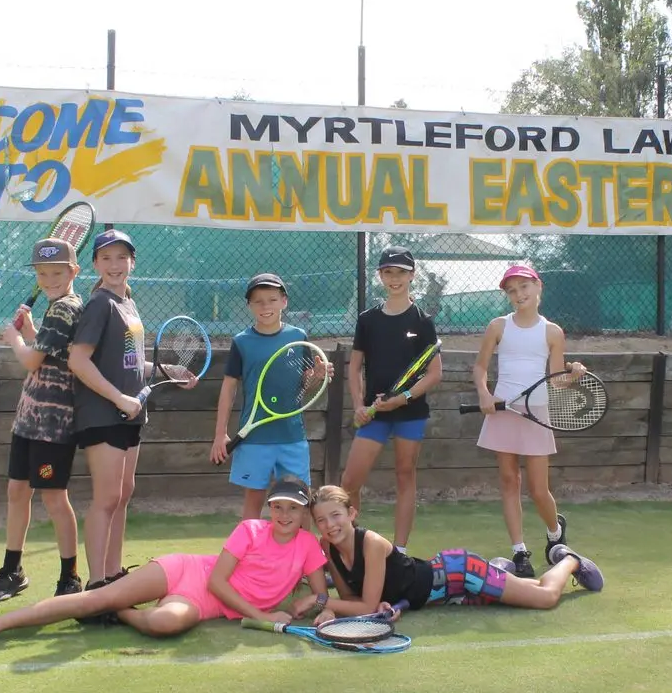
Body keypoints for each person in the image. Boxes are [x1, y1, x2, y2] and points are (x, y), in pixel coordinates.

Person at [0, 478, 330, 647]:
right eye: (277, 506)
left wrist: (318, 605)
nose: (283, 515)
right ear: (269, 509)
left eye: (293, 509)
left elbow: (321, 592)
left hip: (203, 605)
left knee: (163, 623)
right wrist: (264, 616)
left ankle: (119, 612)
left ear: (304, 514)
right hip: (189, 572)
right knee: (93, 599)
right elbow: (217, 582)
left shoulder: (309, 546)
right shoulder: (250, 529)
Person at [68, 229, 198, 605]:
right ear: (95, 264)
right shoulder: (100, 304)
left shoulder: (129, 305)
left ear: (132, 262)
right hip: (103, 413)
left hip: (130, 414)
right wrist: (119, 398)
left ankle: (113, 575)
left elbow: (127, 363)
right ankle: (96, 588)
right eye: (106, 258)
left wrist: (167, 369)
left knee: (123, 495)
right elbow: (79, 360)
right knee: (107, 496)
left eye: (121, 257)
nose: (114, 265)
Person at [308, 485, 601, 622]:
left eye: (336, 516)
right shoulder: (327, 548)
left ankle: (569, 560)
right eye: (321, 520)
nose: (330, 526)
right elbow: (351, 600)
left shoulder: (369, 542)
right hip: (446, 594)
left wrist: (320, 601)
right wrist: (334, 607)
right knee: (531, 587)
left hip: (460, 574)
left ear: (352, 513)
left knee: (545, 597)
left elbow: (367, 606)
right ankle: (498, 569)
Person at [0, 237, 85, 603]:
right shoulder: (56, 308)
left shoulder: (66, 308)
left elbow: (30, 361)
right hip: (29, 419)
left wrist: (13, 338)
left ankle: (70, 578)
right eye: (43, 273)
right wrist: (28, 332)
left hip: (51, 426)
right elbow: (47, 351)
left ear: (74, 271)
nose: (49, 278)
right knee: (17, 492)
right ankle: (13, 571)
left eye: (57, 272)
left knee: (53, 497)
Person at [472, 264, 587, 579]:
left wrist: (572, 373)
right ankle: (519, 551)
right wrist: (484, 395)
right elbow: (480, 368)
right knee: (510, 482)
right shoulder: (498, 326)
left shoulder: (552, 332)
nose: (518, 294)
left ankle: (554, 531)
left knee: (538, 489)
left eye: (524, 287)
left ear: (538, 288)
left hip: (535, 414)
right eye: (512, 290)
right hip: (503, 412)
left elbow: (556, 381)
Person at [340, 246, 443, 551]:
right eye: (388, 272)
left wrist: (404, 398)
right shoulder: (368, 319)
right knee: (349, 483)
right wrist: (359, 404)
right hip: (375, 415)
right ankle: (352, 548)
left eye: (401, 272)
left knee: (404, 475)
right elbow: (355, 366)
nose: (394, 278)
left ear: (412, 276)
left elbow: (435, 373)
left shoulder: (423, 321)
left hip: (410, 414)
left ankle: (399, 551)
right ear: (380, 276)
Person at [210, 272, 331, 521]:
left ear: (284, 302)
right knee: (253, 507)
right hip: (254, 439)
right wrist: (220, 434)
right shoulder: (242, 342)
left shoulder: (298, 337)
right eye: (259, 301)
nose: (266, 306)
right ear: (249, 306)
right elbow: (229, 388)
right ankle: (249, 559)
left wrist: (318, 376)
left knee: (300, 505)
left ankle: (305, 561)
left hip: (292, 437)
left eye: (272, 299)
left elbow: (304, 387)